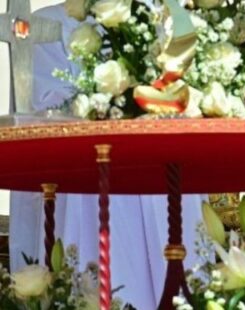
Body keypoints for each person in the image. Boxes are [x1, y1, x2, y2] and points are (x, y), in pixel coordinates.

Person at [9, 4, 204, 309]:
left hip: (158, 175)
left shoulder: (167, 18)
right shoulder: (49, 24)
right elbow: (42, 111)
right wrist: (104, 99)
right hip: (87, 186)